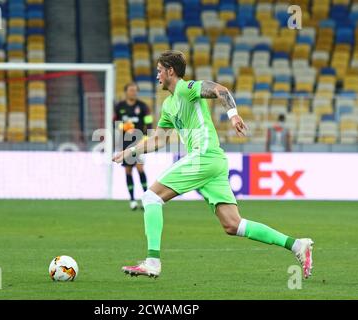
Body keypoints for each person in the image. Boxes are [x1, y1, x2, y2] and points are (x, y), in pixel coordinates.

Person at [112, 50, 314, 279]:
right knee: (233, 225)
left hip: (204, 155)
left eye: (159, 70)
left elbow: (221, 90)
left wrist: (233, 115)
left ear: (170, 71)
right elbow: (159, 139)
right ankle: (297, 245)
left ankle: (152, 262)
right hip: (215, 161)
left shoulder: (185, 88)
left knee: (151, 197)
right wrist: (129, 151)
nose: (156, 75)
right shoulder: (169, 105)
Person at [114, 82, 153, 210]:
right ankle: (132, 200)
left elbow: (149, 122)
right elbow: (115, 122)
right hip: (125, 141)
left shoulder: (142, 106)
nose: (133, 92)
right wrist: (124, 126)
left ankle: (146, 198)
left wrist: (147, 137)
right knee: (128, 170)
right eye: (131, 90)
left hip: (139, 141)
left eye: (135, 90)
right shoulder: (120, 106)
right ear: (126, 92)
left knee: (140, 168)